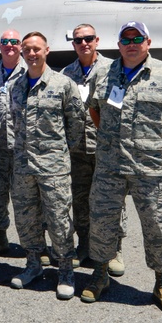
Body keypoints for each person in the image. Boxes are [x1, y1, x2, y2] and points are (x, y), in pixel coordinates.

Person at [82, 21, 162, 318]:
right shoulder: (105, 74)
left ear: (148, 42)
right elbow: (95, 109)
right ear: (118, 44)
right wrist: (109, 139)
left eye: (138, 38)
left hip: (152, 168)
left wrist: (161, 140)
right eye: (125, 38)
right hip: (110, 165)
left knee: (158, 226)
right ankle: (101, 273)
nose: (131, 43)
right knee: (103, 222)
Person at [8, 32, 83, 300]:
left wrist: (58, 153)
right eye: (26, 49)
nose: (31, 53)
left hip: (54, 167)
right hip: (23, 165)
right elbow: (13, 123)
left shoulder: (63, 84)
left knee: (59, 220)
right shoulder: (16, 86)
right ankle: (33, 264)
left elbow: (75, 125)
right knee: (26, 218)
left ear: (46, 50)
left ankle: (65, 271)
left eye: (36, 49)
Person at [60, 23, 118, 272]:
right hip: (77, 148)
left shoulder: (113, 69)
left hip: (106, 148)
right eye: (78, 40)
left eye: (88, 38)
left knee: (111, 201)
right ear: (73, 44)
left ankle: (114, 251)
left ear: (97, 40)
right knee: (80, 199)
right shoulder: (66, 73)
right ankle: (84, 244)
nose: (84, 43)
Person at [0, 29, 26, 257]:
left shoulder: (29, 71)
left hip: (24, 148)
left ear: (20, 45)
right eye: (5, 42)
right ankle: (0, 237)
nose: (9, 45)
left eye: (14, 41)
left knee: (28, 197)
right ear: (0, 45)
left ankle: (35, 244)